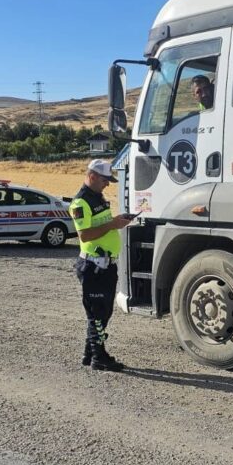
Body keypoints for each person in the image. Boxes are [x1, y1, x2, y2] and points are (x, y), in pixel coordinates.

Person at [69, 158, 133, 371]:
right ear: (92, 176)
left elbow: (103, 225)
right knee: (97, 313)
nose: (107, 184)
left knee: (103, 312)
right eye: (105, 180)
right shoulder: (80, 203)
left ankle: (90, 353)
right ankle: (99, 357)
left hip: (105, 265)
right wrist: (113, 224)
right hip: (94, 266)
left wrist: (117, 220)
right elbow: (85, 235)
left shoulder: (98, 198)